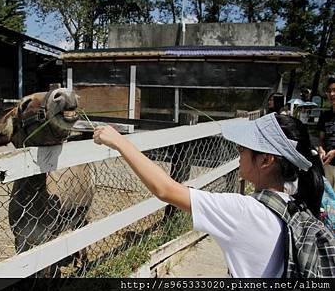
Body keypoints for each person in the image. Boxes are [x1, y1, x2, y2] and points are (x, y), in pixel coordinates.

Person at [93, 113, 324, 278]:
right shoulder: (297, 202)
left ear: (266, 160)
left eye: (244, 148)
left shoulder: (245, 213)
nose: (238, 151)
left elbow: (164, 189)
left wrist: (119, 141)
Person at [317, 76, 335, 189]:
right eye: (329, 91)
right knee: (328, 202)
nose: (332, 94)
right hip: (327, 165)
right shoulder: (325, 116)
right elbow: (321, 139)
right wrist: (321, 149)